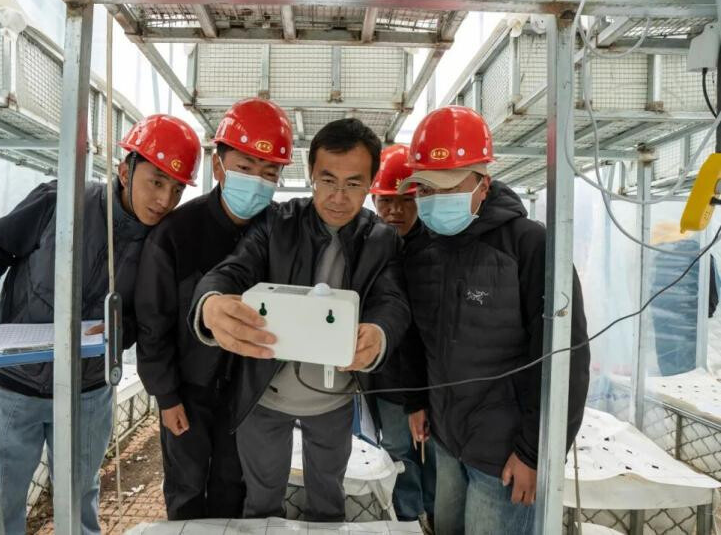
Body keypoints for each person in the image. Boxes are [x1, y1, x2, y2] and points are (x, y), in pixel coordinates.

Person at [0, 115, 201, 535]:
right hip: (13, 385)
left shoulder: (164, 241)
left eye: (178, 189)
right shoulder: (61, 202)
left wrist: (118, 331)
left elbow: (152, 317)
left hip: (88, 392)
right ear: (125, 171)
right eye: (156, 181)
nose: (165, 199)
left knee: (78, 499)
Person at [189, 118, 410, 522]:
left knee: (328, 502)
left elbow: (392, 300)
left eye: (354, 184)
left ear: (372, 183)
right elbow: (233, 269)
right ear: (310, 174)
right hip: (265, 395)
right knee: (261, 503)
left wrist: (379, 333)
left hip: (334, 401)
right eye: (327, 181)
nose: (338, 198)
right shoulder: (277, 222)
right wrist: (210, 302)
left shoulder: (382, 239)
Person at [397, 106, 590, 535]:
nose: (434, 198)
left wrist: (535, 452)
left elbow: (566, 359)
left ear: (483, 184)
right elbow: (417, 338)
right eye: (424, 187)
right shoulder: (423, 251)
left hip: (504, 456)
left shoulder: (530, 246)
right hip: (447, 441)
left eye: (448, 186)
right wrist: (417, 401)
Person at [135, 98, 294, 519]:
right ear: (218, 166)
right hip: (189, 389)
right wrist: (167, 396)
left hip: (249, 390)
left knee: (233, 484)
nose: (256, 181)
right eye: (245, 167)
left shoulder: (279, 231)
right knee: (187, 485)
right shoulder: (176, 233)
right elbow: (153, 322)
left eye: (269, 173)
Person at [369, 144, 436, 527]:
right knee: (397, 452)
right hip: (386, 380)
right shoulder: (371, 247)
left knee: (433, 456)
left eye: (406, 201)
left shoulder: (435, 249)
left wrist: (418, 399)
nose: (395, 210)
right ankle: (410, 520)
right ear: (374, 201)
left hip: (428, 382)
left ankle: (433, 516)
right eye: (386, 201)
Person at [649, 221, 718, 376]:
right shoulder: (702, 254)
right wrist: (703, 313)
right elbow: (712, 290)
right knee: (688, 365)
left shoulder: (661, 257)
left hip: (664, 321)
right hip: (691, 321)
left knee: (668, 362)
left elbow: (653, 291)